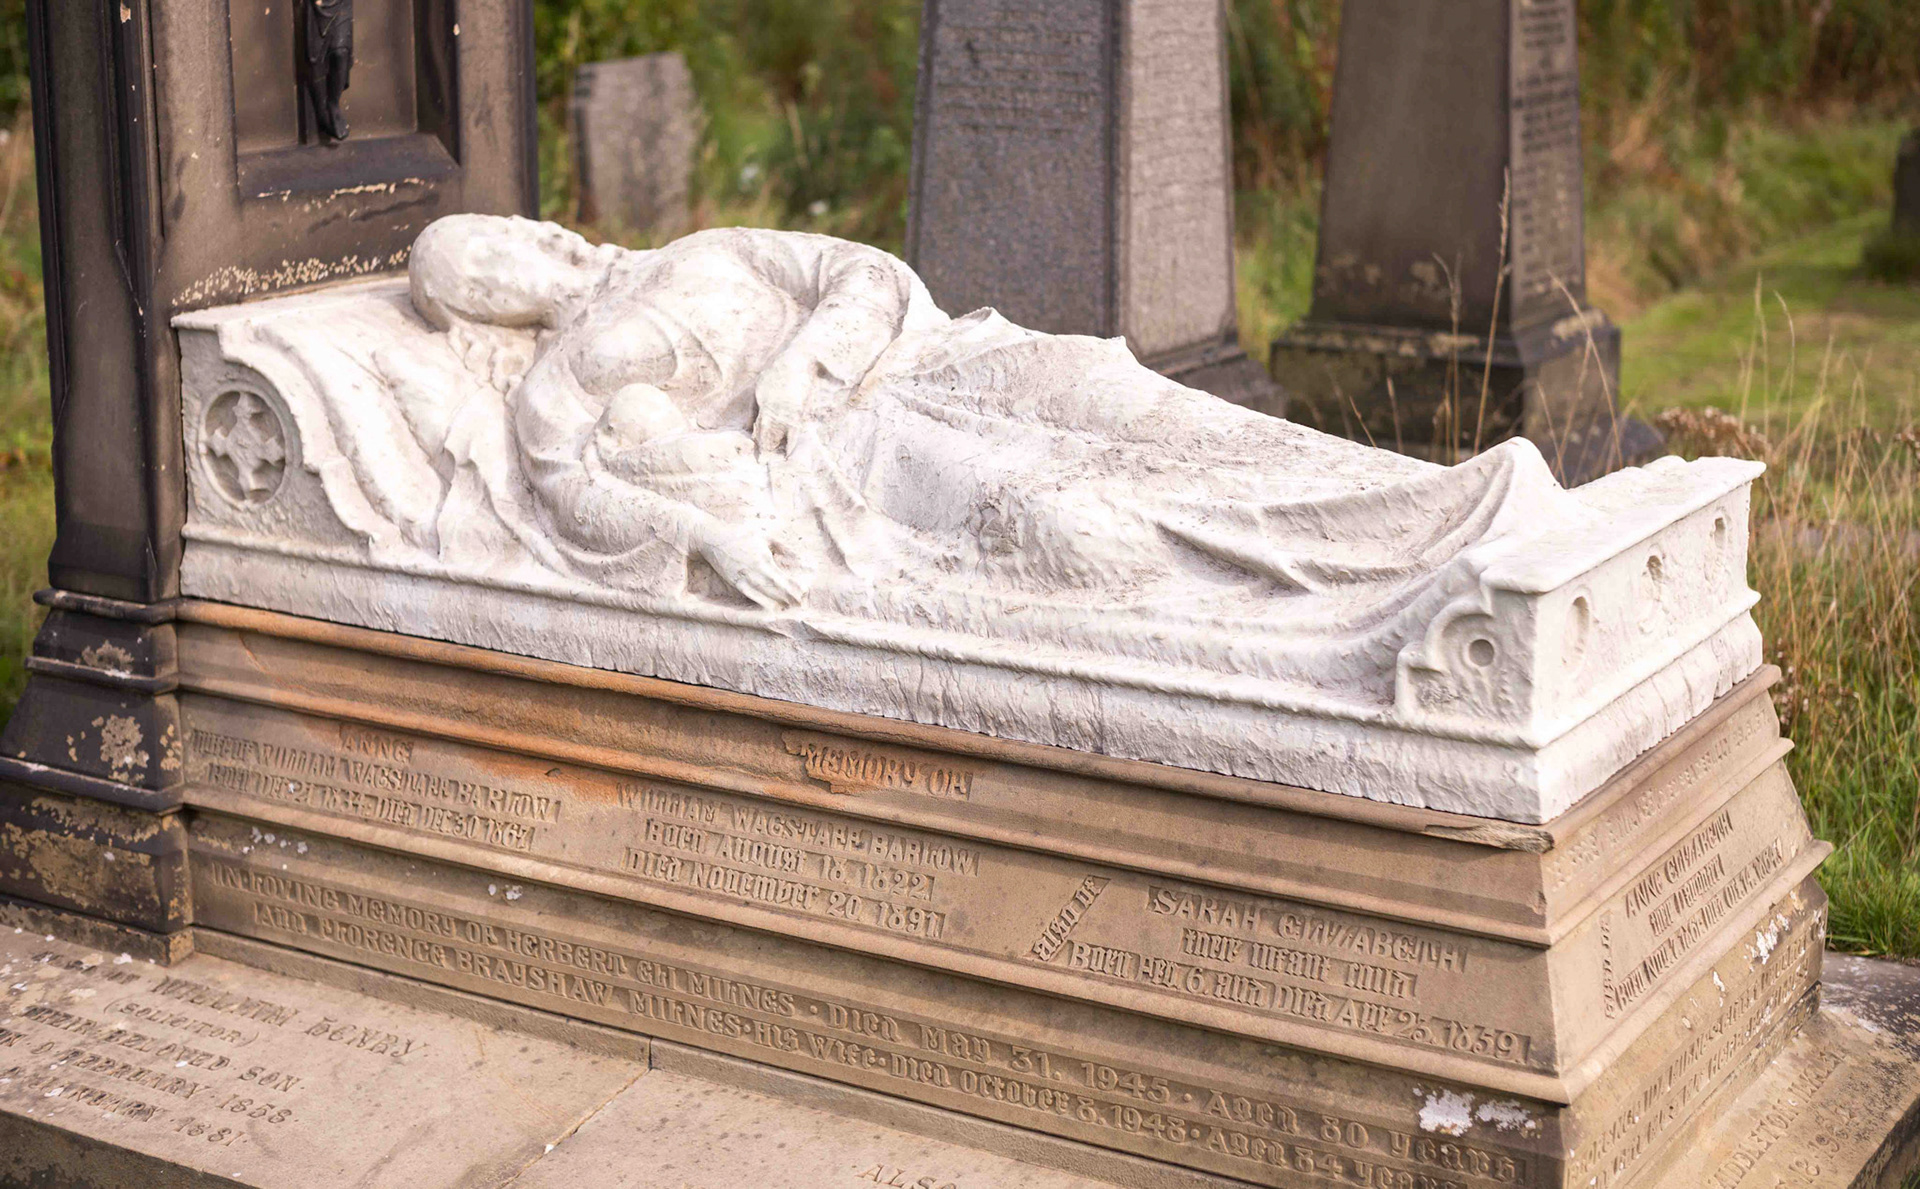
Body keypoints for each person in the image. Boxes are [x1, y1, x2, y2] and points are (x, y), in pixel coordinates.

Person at [387, 214, 1580, 660]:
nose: (506, 271)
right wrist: (702, 527)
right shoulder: (557, 384)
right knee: (1087, 525)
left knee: (1166, 418)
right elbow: (570, 496)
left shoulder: (705, 250)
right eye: (475, 283)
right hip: (862, 462)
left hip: (940, 356)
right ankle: (1389, 604)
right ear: (475, 315)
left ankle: (1448, 504)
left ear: (539, 227)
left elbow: (862, 271)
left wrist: (811, 354)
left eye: (496, 242)